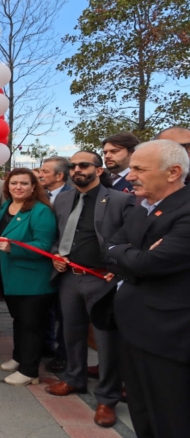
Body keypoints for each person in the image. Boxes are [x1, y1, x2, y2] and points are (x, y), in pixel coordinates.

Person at [103, 140, 190, 438]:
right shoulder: (141, 207)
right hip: (131, 328)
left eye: (139, 169)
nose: (130, 176)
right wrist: (133, 255)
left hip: (168, 337)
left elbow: (152, 263)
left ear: (173, 172)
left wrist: (130, 255)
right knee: (141, 410)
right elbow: (110, 247)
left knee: (171, 416)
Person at [45, 151, 133, 428]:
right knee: (71, 332)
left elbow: (131, 239)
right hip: (69, 277)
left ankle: (107, 398)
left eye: (84, 165)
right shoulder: (63, 198)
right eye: (72, 166)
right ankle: (74, 378)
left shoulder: (120, 200)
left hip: (102, 280)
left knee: (106, 342)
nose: (77, 170)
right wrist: (55, 254)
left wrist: (119, 269)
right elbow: (57, 236)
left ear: (98, 169)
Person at [0, 168, 57, 386]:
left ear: (33, 187)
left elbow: (44, 245)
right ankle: (19, 357)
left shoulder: (41, 211)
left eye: (23, 183)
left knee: (31, 324)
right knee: (19, 320)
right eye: (14, 183)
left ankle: (30, 370)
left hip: (32, 280)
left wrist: (14, 248)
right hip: (10, 276)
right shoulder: (6, 207)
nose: (18, 187)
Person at [37, 156, 71, 373]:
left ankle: (64, 355)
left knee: (64, 313)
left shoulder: (72, 197)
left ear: (59, 175)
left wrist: (58, 254)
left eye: (45, 171)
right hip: (41, 261)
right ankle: (46, 345)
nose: (40, 174)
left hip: (63, 263)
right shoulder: (40, 196)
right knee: (45, 307)